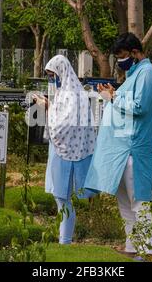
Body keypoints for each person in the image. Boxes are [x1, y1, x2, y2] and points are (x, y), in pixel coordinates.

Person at [84, 32, 152, 257]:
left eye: (123, 56)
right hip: (120, 150)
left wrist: (114, 98)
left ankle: (148, 251)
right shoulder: (134, 74)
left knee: (139, 202)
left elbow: (140, 107)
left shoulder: (148, 73)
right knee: (126, 204)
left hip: (134, 149)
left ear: (135, 53)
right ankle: (132, 246)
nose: (120, 62)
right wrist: (113, 94)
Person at [33, 55, 96, 244]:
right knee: (59, 196)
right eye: (49, 75)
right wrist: (48, 106)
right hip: (60, 149)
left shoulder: (73, 94)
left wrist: (46, 107)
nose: (52, 78)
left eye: (53, 74)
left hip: (68, 151)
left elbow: (65, 124)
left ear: (62, 72)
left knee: (62, 196)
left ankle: (65, 240)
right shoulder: (64, 92)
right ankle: (63, 239)